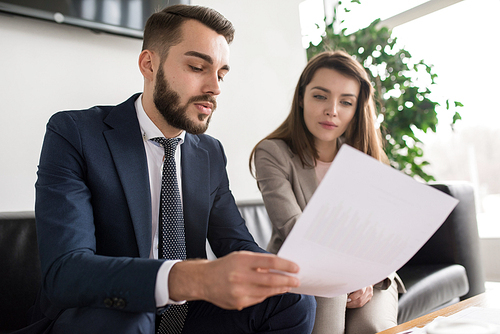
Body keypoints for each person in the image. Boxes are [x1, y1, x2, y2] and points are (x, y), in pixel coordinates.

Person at [25, 4, 316, 334]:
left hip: (185, 319)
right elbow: (65, 272)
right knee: (132, 317)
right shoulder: (75, 133)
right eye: (197, 67)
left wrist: (299, 272)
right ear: (149, 64)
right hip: (102, 316)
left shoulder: (209, 152)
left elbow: (237, 245)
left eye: (221, 74)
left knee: (296, 299)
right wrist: (188, 278)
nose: (215, 88)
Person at [250, 51, 405, 334]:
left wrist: (365, 276)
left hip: (371, 274)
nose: (332, 110)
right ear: (301, 97)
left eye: (346, 102)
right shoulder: (272, 153)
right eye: (320, 96)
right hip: (306, 271)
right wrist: (348, 275)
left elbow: (380, 235)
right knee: (330, 298)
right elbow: (295, 228)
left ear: (356, 109)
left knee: (373, 328)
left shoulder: (364, 156)